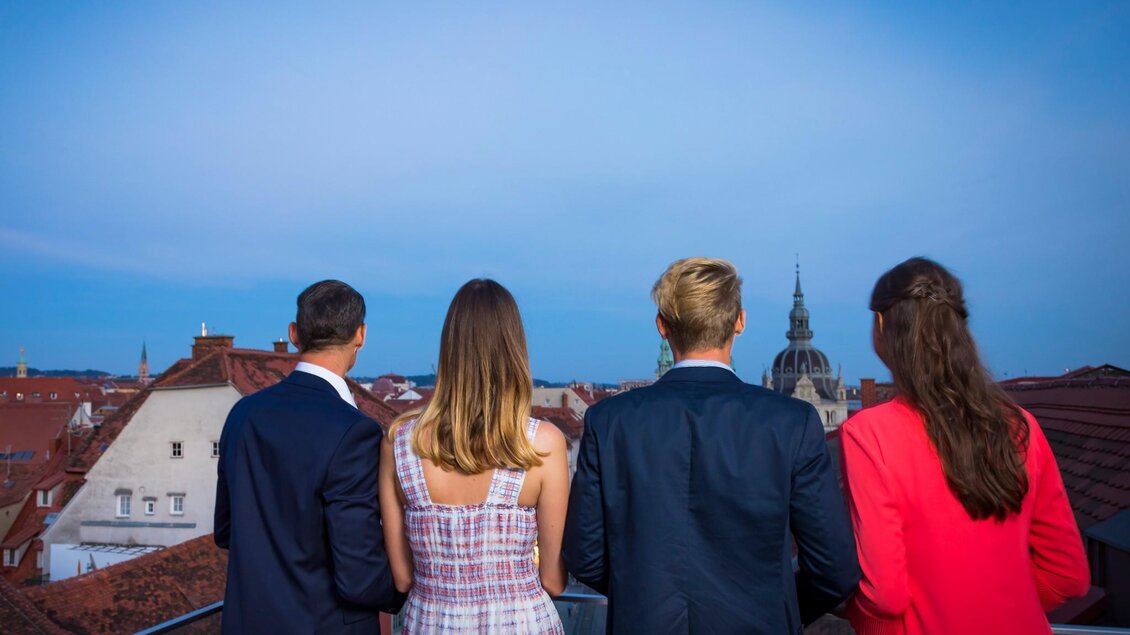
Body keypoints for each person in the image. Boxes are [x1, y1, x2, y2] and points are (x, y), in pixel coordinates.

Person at [564, 257, 860, 634]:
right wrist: (774, 605)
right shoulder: (792, 422)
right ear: (740, 320)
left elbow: (584, 554)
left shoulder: (610, 421)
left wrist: (642, 594)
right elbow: (834, 568)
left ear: (662, 327)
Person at [841, 257, 1090, 635]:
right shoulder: (1021, 428)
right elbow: (1067, 574)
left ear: (881, 325)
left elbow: (885, 595)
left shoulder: (868, 433)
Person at [379, 279, 568, 634]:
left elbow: (402, 579)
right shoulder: (541, 443)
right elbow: (554, 581)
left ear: (449, 348)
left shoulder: (399, 443)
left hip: (431, 624)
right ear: (514, 348)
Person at [215, 280, 403, 634]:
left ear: (295, 334)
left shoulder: (243, 414)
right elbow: (358, 576)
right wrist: (405, 592)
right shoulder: (354, 431)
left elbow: (226, 531)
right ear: (360, 335)